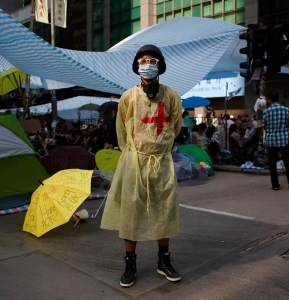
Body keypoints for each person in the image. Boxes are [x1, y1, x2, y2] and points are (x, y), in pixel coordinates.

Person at [100, 44, 182, 288]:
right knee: (131, 211)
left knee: (164, 209)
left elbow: (174, 127)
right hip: (134, 161)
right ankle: (130, 262)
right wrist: (135, 154)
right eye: (143, 60)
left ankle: (163, 260)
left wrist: (159, 147)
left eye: (153, 60)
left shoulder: (171, 95)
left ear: (160, 66)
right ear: (137, 65)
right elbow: (122, 132)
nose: (148, 64)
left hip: (162, 162)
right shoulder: (128, 97)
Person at [262, 91, 289, 191]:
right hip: (284, 139)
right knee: (288, 162)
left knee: (272, 163)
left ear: (270, 100)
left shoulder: (266, 111)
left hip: (271, 140)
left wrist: (272, 130)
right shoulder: (286, 110)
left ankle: (275, 185)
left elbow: (264, 127)